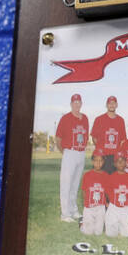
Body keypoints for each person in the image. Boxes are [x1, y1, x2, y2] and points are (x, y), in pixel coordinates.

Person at [55, 93, 90, 223]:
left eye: (78, 102)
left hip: (81, 153)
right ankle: (65, 214)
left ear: (81, 104)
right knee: (66, 183)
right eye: (74, 103)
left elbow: (86, 136)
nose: (77, 105)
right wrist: (63, 151)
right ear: (71, 104)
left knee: (75, 184)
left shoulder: (85, 118)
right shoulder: (65, 118)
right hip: (69, 152)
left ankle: (73, 210)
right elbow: (58, 138)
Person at [90, 96, 126, 172]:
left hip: (114, 157)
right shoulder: (99, 119)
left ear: (116, 105)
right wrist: (101, 149)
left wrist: (116, 152)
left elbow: (123, 140)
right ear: (106, 105)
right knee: (100, 181)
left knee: (113, 181)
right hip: (102, 156)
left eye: (113, 103)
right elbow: (94, 138)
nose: (112, 105)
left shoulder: (120, 120)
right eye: (110, 103)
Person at [80, 152, 110, 236]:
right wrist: (85, 204)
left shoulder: (106, 175)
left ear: (103, 162)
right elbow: (84, 190)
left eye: (100, 161)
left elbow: (107, 191)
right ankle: (82, 224)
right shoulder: (87, 175)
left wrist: (107, 203)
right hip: (89, 206)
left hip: (100, 206)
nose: (98, 163)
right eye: (96, 161)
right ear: (92, 162)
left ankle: (93, 224)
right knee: (88, 233)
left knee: (98, 233)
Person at [104, 160, 128, 238]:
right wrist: (107, 202)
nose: (121, 163)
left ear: (126, 163)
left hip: (125, 208)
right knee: (110, 235)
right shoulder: (111, 177)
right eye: (118, 161)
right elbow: (105, 191)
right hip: (113, 207)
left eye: (122, 161)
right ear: (114, 164)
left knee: (127, 236)